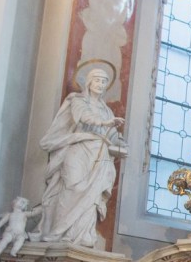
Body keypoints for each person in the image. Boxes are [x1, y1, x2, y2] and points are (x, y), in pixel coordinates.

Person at [36, 66, 128, 248]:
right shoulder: (78, 100)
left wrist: (120, 141)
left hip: (100, 153)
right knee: (72, 187)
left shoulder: (107, 111)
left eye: (104, 82)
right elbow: (83, 117)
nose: (101, 84)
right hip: (79, 149)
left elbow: (110, 134)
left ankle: (79, 234)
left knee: (92, 194)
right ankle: (57, 231)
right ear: (89, 82)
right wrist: (104, 122)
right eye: (97, 80)